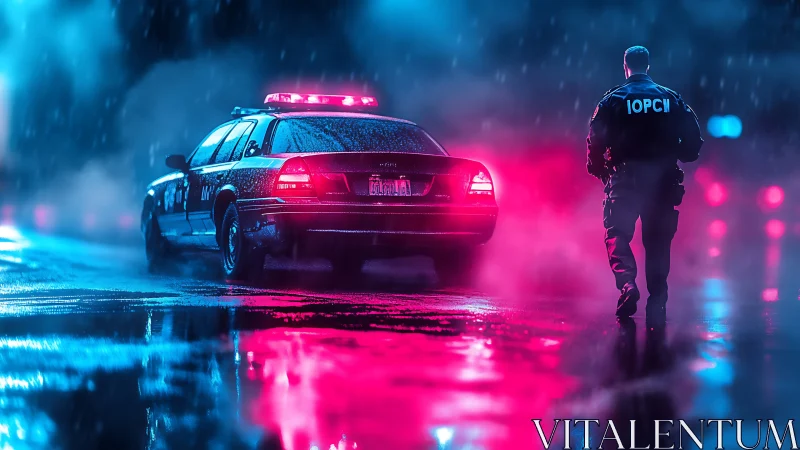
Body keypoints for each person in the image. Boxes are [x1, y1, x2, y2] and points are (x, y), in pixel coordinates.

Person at [587, 46, 703, 320]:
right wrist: (679, 155)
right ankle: (658, 300)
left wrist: (600, 169)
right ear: (648, 66)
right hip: (663, 179)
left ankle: (627, 285)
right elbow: (694, 141)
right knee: (658, 241)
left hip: (625, 177)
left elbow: (595, 138)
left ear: (625, 66)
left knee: (617, 234)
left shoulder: (613, 99)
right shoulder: (670, 98)